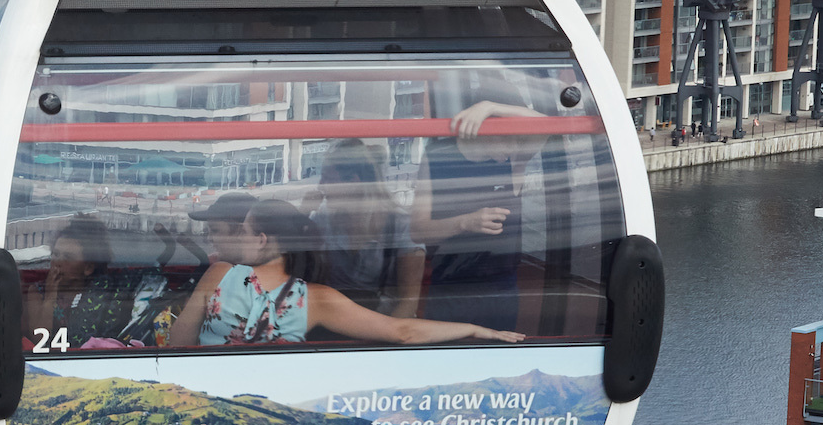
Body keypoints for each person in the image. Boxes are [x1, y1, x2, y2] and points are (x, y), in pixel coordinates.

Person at [168, 197, 524, 349]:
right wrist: (477, 329)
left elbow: (177, 346)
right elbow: (403, 331)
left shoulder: (219, 274)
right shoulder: (316, 299)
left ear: (261, 240)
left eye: (243, 231)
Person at [409, 93, 558, 331]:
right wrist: (464, 223)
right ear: (482, 128)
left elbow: (549, 124)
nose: (515, 149)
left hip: (499, 287)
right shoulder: (437, 155)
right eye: (509, 139)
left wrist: (490, 106)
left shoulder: (515, 159)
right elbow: (417, 231)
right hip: (448, 286)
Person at [308, 139, 422, 314]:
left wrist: (383, 336)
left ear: (353, 182)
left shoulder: (401, 225)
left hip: (384, 322)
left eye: (328, 179)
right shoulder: (323, 220)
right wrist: (302, 214)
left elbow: (408, 302)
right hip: (331, 319)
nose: (320, 186)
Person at [23, 213, 170, 347]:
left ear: (88, 267)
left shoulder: (106, 291)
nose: (57, 262)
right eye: (55, 254)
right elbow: (38, 341)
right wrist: (50, 297)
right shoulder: (37, 291)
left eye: (67, 257)